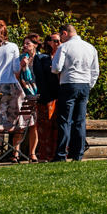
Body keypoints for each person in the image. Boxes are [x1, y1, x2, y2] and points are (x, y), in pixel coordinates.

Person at [51, 22, 100, 161]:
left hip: (69, 84)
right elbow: (95, 71)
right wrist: (89, 85)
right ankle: (78, 154)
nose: (60, 39)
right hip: (84, 84)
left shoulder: (64, 47)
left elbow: (56, 68)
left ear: (64, 33)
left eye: (61, 36)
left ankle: (61, 154)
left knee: (65, 120)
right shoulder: (90, 47)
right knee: (80, 121)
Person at [31, 33, 61, 161]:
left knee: (58, 127)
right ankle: (44, 155)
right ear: (49, 42)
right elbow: (40, 79)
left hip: (61, 96)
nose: (59, 43)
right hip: (46, 97)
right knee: (45, 127)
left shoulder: (63, 56)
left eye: (60, 41)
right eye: (56, 41)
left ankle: (58, 154)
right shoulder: (41, 58)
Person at [14, 35, 41, 161]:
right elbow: (15, 76)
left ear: (35, 44)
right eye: (24, 43)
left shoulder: (41, 58)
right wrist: (21, 66)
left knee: (33, 124)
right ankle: (15, 153)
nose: (25, 46)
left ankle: (32, 153)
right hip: (22, 92)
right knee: (20, 124)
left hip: (36, 93)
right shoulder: (19, 58)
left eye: (28, 43)